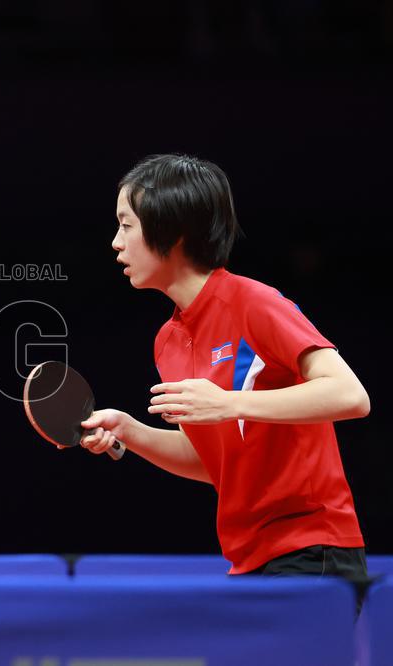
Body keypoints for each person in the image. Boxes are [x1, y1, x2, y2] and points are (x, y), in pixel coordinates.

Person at [80, 154, 370, 579]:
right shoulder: (168, 341)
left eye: (127, 225)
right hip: (248, 556)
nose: (116, 242)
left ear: (172, 229)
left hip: (312, 547)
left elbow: (351, 395)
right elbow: (214, 462)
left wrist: (230, 403)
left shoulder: (253, 303)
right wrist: (129, 430)